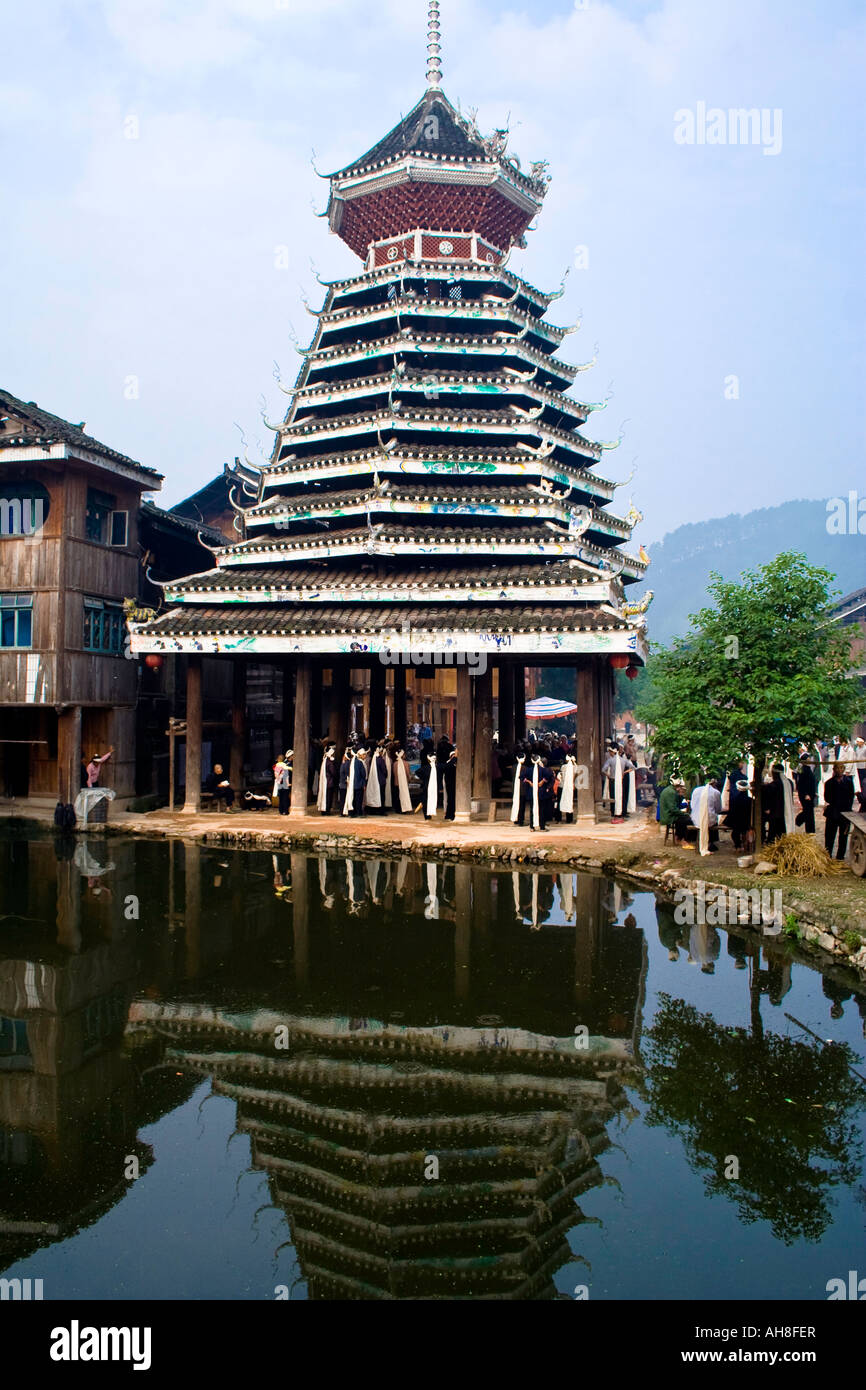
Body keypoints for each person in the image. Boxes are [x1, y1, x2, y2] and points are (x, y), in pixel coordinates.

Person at [823, 762, 855, 859]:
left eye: (841, 768)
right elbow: (827, 798)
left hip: (845, 813)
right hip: (833, 813)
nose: (840, 770)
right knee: (829, 836)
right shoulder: (829, 783)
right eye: (837, 768)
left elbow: (851, 796)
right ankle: (827, 856)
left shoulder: (849, 781)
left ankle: (840, 857)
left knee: (843, 837)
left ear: (844, 769)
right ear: (834, 769)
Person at [690, 777, 721, 854]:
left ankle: (705, 842)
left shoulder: (696, 790)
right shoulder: (716, 792)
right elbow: (718, 808)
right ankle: (711, 842)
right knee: (713, 819)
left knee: (707, 818)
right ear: (714, 783)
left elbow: (692, 805)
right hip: (709, 821)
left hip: (696, 819)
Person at [724, 778, 754, 849]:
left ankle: (738, 846)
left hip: (736, 823)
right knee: (743, 831)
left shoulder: (733, 799)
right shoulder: (750, 800)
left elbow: (731, 812)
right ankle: (744, 845)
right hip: (747, 822)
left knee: (735, 833)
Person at [659, 777, 688, 843]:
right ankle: (681, 838)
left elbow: (676, 804)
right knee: (685, 820)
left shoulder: (671, 790)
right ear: (679, 786)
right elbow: (673, 809)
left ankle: (678, 837)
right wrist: (684, 814)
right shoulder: (671, 792)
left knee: (683, 818)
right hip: (668, 816)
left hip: (667, 814)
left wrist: (681, 795)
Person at [794, 753, 817, 834]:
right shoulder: (803, 770)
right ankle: (800, 821)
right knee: (808, 812)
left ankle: (809, 829)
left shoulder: (807, 769)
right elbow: (802, 784)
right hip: (806, 795)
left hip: (810, 794)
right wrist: (806, 794)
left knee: (809, 812)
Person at [316, 745, 337, 814]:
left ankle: (324, 810)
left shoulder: (325, 760)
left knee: (325, 796)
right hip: (329, 782)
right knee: (328, 797)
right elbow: (333, 772)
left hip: (325, 782)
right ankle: (327, 810)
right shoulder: (330, 762)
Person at [442, 749, 458, 821]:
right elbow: (450, 766)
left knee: (452, 800)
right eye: (453, 756)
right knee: (450, 800)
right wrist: (456, 756)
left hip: (454, 784)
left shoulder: (455, 762)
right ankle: (450, 815)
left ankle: (450, 815)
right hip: (450, 784)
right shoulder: (449, 763)